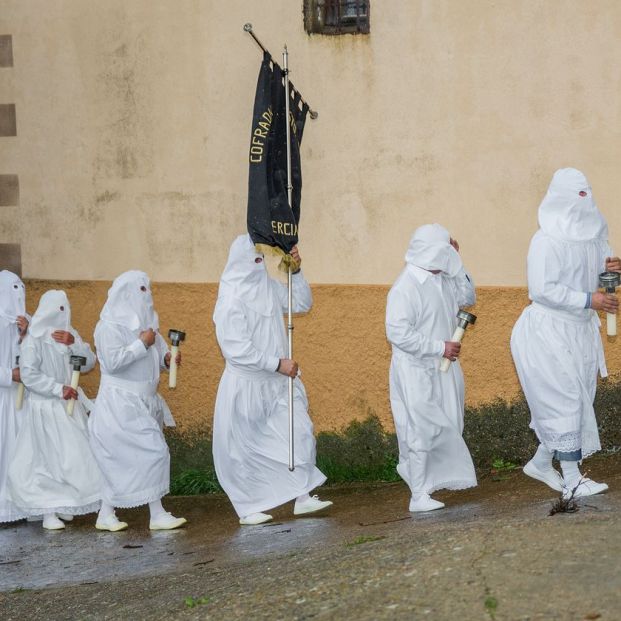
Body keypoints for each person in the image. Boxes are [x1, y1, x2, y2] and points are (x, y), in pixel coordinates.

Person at [511, 168, 620, 498]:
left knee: (579, 400)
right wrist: (590, 299)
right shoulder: (545, 240)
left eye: (586, 194)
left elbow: (600, 274)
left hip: (581, 330)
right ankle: (572, 479)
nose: (582, 203)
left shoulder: (597, 234)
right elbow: (542, 289)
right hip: (547, 333)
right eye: (576, 196)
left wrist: (612, 273)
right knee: (565, 401)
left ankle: (541, 463)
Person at [212, 235, 332, 525]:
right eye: (253, 260)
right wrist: (276, 363)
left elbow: (300, 302)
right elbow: (235, 349)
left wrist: (296, 271)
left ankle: (302, 496)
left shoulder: (265, 287)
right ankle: (249, 507)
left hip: (278, 383)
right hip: (248, 385)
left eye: (260, 260)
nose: (258, 266)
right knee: (244, 449)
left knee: (298, 432)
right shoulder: (230, 301)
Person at [386, 224, 477, 512]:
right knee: (420, 429)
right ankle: (418, 494)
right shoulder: (405, 287)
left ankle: (433, 482)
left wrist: (458, 263)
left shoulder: (445, 278)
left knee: (448, 423)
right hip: (416, 368)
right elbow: (397, 332)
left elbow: (468, 297)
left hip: (445, 366)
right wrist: (438, 347)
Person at [89, 270, 186, 531]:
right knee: (152, 452)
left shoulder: (150, 325)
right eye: (141, 290)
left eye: (148, 289)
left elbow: (160, 353)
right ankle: (157, 514)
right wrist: (141, 344)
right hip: (120, 403)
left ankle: (105, 514)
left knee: (124, 460)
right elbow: (112, 362)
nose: (148, 295)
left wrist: (167, 361)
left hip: (145, 401)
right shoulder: (108, 327)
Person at [7, 290, 102, 530]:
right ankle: (48, 512)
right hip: (45, 408)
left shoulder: (70, 335)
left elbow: (89, 361)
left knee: (71, 458)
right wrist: (57, 388)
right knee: (45, 460)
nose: (63, 314)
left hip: (68, 408)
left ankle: (66, 503)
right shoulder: (34, 339)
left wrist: (74, 344)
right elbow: (29, 374)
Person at [0, 271, 29, 524]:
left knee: (20, 452)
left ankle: (20, 506)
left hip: (20, 401)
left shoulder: (25, 324)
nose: (18, 295)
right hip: (2, 397)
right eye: (13, 290)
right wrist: (10, 374)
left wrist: (24, 336)